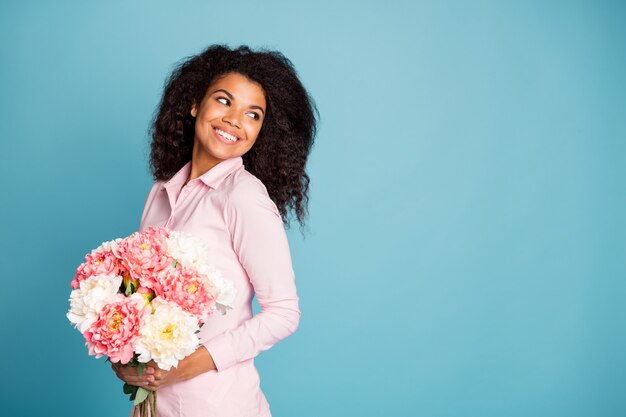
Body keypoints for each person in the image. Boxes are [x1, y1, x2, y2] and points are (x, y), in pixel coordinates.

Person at [112, 44, 317, 417]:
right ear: (194, 104)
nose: (235, 120)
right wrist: (125, 355)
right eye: (224, 101)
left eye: (253, 114)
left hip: (216, 405)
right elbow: (142, 298)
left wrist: (189, 365)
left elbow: (283, 313)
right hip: (153, 406)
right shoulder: (161, 191)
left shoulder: (243, 196)